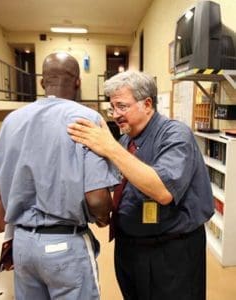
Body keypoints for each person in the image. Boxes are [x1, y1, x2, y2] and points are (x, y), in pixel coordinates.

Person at [67, 70, 214, 300]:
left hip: (170, 253)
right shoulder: (126, 140)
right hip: (131, 248)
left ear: (147, 104)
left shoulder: (175, 135)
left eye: (122, 106)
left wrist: (110, 148)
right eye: (112, 108)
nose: (115, 114)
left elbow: (163, 191)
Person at [0, 52, 120, 300]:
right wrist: (104, 218)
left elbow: (1, 199)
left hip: (23, 245)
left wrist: (8, 247)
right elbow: (98, 199)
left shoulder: (12, 121)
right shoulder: (86, 120)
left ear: (41, 82)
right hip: (65, 247)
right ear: (78, 82)